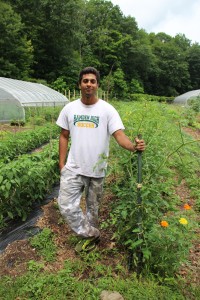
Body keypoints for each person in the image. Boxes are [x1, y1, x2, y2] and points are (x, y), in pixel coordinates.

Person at [56, 67, 145, 253]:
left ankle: (91, 238)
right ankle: (91, 234)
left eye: (92, 81)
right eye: (85, 80)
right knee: (65, 205)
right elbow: (64, 135)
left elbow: (119, 135)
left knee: (93, 209)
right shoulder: (69, 108)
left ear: (97, 85)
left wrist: (133, 146)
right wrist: (62, 164)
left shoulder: (107, 110)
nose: (89, 84)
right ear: (80, 84)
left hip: (97, 170)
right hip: (73, 167)